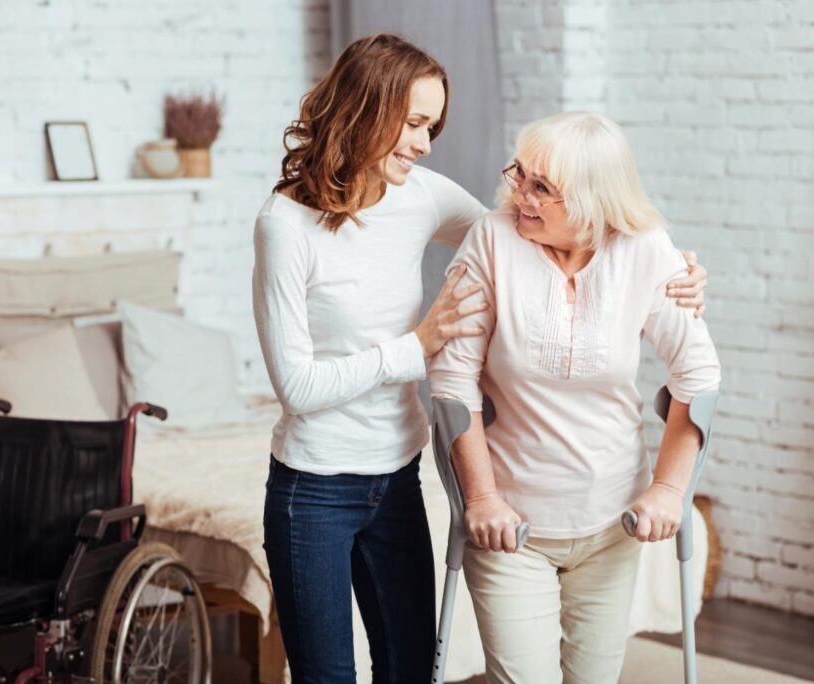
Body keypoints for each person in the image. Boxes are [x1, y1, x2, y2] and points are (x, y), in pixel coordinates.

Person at [253, 34, 709, 682]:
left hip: (397, 476)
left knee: (409, 668)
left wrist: (671, 271)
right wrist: (416, 348)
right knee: (327, 675)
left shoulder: (419, 194)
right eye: (413, 123)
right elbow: (298, 387)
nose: (424, 143)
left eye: (431, 126)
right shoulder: (284, 225)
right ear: (365, 109)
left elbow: (524, 233)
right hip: (315, 486)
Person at [429, 111, 721, 684]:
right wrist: (481, 498)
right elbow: (453, 381)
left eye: (543, 188)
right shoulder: (492, 240)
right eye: (521, 177)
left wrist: (667, 489)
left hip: (614, 520)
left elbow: (699, 375)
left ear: (593, 201)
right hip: (511, 525)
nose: (521, 198)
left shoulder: (645, 251)